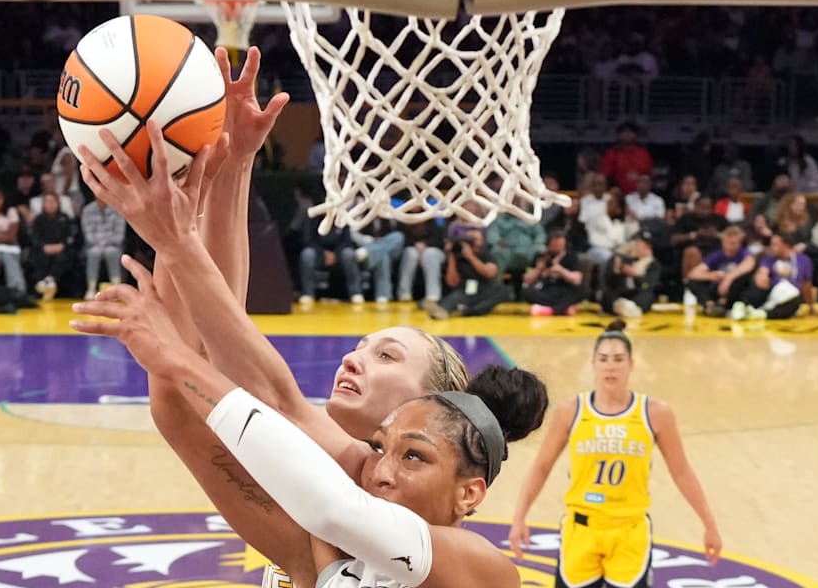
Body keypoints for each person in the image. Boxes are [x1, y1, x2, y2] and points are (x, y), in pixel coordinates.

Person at [68, 46, 531, 587]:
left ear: (429, 406)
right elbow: (240, 393)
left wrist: (177, 253)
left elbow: (315, 477)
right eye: (382, 448)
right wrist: (216, 172)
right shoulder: (321, 519)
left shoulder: (471, 565)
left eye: (386, 354)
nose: (381, 466)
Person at [72, 258, 548, 588]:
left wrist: (175, 356)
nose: (380, 469)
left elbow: (333, 504)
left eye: (414, 456)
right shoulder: (329, 535)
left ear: (470, 492)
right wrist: (179, 228)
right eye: (381, 448)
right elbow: (208, 405)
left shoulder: (484, 570)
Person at [508, 321, 722, 588]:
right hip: (581, 531)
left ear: (631, 364)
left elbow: (681, 471)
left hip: (629, 532)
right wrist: (519, 518)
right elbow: (541, 467)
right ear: (593, 363)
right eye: (604, 359)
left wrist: (709, 524)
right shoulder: (571, 411)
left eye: (619, 359)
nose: (611, 366)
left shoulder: (655, 413)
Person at [686, 226, 757, 317]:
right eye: (729, 242)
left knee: (746, 277)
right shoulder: (717, 255)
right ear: (723, 241)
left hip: (733, 289)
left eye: (735, 243)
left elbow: (749, 264)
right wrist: (710, 275)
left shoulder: (744, 253)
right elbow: (693, 274)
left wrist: (729, 278)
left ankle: (725, 304)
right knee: (693, 282)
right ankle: (710, 305)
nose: (732, 246)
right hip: (717, 287)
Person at [522, 230, 584, 316]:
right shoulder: (540, 257)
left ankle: (550, 310)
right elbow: (527, 280)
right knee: (527, 293)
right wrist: (538, 269)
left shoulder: (571, 257)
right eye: (555, 245)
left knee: (582, 291)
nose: (558, 248)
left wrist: (561, 271)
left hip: (565, 289)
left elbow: (577, 279)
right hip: (546, 290)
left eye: (561, 245)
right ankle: (563, 308)